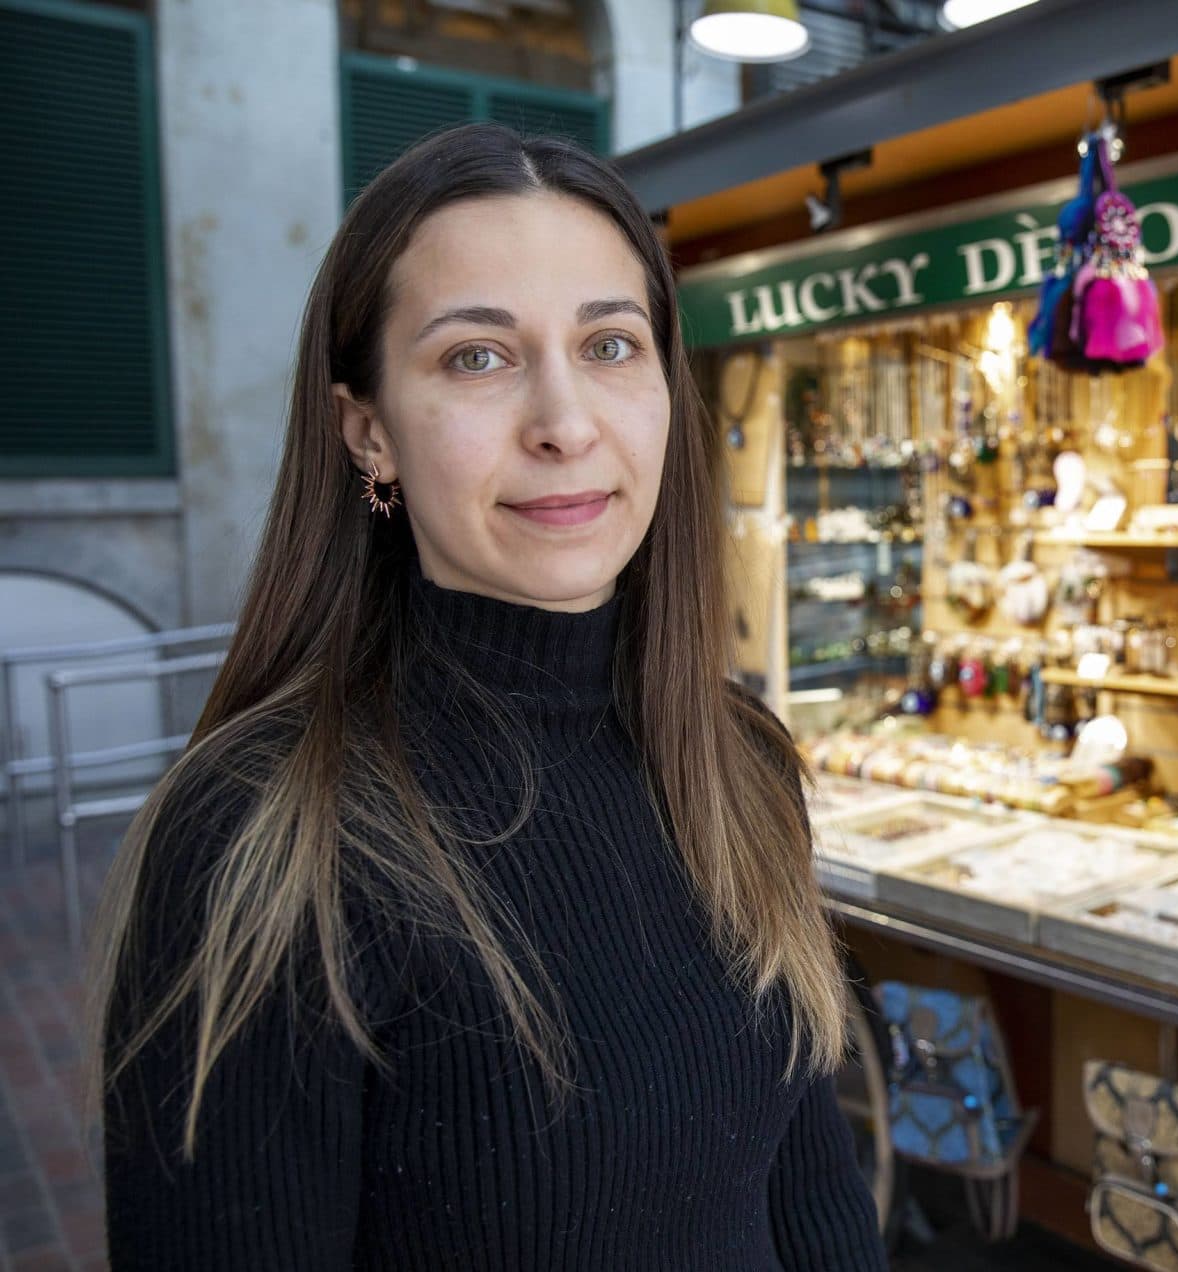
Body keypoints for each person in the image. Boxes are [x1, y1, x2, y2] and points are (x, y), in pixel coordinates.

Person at [91, 123, 887, 1270]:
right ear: (371, 433)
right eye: (478, 357)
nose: (566, 424)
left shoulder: (738, 762)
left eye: (611, 345)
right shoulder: (263, 843)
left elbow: (810, 1197)